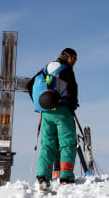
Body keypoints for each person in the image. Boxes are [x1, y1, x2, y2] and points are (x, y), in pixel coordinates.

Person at [28, 48, 79, 189]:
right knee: (67, 143)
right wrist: (73, 105)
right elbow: (73, 90)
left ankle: (43, 177)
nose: (74, 61)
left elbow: (29, 84)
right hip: (62, 111)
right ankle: (66, 177)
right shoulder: (66, 70)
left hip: (46, 112)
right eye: (72, 58)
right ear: (65, 56)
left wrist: (41, 103)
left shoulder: (47, 68)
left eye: (75, 59)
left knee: (48, 144)